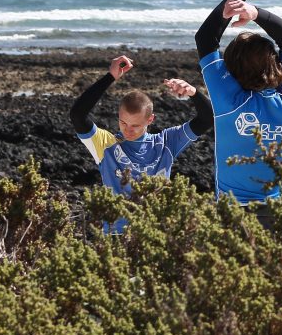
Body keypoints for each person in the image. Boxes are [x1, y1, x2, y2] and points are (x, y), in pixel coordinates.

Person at [195, 0, 282, 229]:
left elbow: (205, 39)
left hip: (234, 214)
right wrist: (255, 13)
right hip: (279, 211)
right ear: (276, 64)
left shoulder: (228, 100)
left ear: (230, 69)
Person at [69, 54, 213, 232]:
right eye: (123, 123)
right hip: (116, 236)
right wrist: (110, 77)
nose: (127, 130)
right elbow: (77, 115)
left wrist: (193, 93)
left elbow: (207, 119)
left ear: (150, 120)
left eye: (135, 125)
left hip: (155, 235)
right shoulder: (106, 144)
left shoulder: (165, 143)